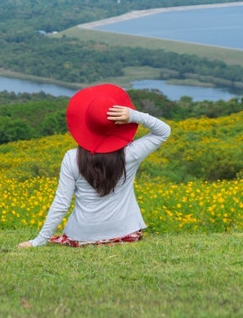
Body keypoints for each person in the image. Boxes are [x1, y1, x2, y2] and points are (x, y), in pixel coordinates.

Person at [18, 83, 170, 248]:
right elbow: (163, 131)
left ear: (86, 126)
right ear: (119, 124)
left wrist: (39, 241)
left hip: (82, 237)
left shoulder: (71, 158)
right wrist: (134, 116)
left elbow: (61, 203)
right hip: (125, 234)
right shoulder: (131, 154)